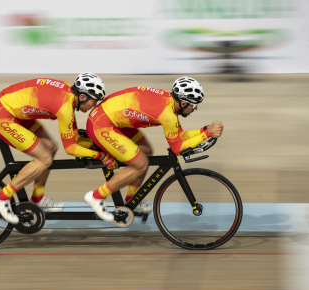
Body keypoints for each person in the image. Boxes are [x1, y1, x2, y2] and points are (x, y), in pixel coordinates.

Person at [84, 76, 224, 222]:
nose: (195, 108)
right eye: (194, 105)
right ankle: (96, 196)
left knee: (147, 152)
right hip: (102, 124)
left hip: (114, 118)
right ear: (183, 102)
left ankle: (131, 200)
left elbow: (179, 135)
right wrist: (207, 134)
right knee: (141, 164)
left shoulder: (169, 102)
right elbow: (177, 148)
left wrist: (205, 129)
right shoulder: (168, 115)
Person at [0, 73, 118, 224]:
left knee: (51, 148)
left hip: (13, 110)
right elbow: (71, 148)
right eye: (94, 101)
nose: (94, 106)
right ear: (82, 97)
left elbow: (74, 137)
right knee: (44, 159)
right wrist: (101, 156)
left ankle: (37, 198)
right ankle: (1, 197)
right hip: (2, 116)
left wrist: (98, 145)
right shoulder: (65, 108)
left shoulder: (68, 95)